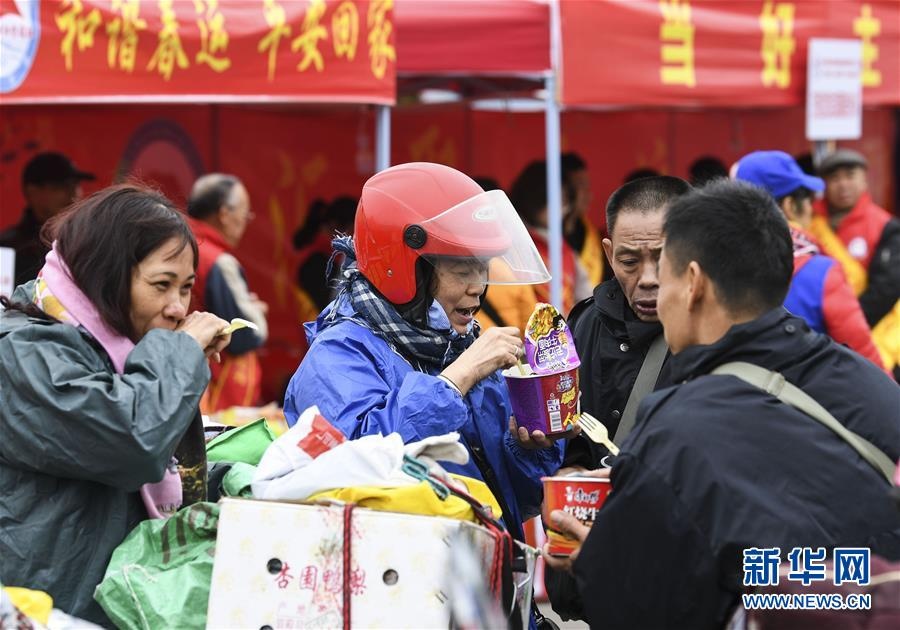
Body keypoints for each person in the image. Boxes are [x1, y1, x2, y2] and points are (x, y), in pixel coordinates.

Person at [546, 180, 900, 629]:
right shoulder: (873, 386)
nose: (651, 284)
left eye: (665, 270)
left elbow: (647, 605)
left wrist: (597, 561)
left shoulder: (675, 432)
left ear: (693, 283)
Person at [283, 163, 567, 576]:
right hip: (392, 585)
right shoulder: (339, 353)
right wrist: (455, 381)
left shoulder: (458, 345)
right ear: (404, 267)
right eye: (462, 269)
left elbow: (513, 499)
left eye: (483, 267)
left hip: (477, 585)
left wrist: (529, 446)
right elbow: (356, 466)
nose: (478, 286)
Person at [0, 185, 232, 625]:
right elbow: (132, 441)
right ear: (102, 276)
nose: (177, 308)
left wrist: (230, 481)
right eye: (161, 285)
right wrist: (178, 355)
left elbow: (158, 474)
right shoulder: (21, 353)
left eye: (185, 288)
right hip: (51, 612)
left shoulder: (117, 350)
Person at [544, 175, 691, 619]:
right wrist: (564, 467)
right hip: (595, 578)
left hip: (683, 583)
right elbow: (565, 441)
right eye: (628, 261)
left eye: (663, 258)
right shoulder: (583, 325)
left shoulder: (719, 330)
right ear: (608, 254)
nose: (647, 280)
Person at [735, 150, 887, 373]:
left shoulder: (715, 265)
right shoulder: (820, 273)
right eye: (807, 200)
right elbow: (866, 360)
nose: (811, 209)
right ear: (789, 205)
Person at [811, 149, 900, 377]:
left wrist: (846, 328)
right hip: (820, 329)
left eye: (850, 176)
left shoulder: (886, 226)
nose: (843, 185)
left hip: (870, 329)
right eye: (834, 178)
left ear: (864, 180)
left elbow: (887, 289)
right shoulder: (812, 225)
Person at [187, 173, 269, 411]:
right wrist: (254, 311)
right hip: (214, 389)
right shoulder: (217, 261)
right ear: (224, 214)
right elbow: (244, 335)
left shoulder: (180, 246)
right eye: (244, 215)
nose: (245, 223)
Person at [0, 152, 95, 288]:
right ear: (33, 192)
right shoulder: (7, 247)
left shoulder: (89, 241)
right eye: (61, 186)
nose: (73, 194)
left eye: (75, 185)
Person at [509, 160, 592, 315]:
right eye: (557, 201)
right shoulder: (511, 244)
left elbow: (586, 301)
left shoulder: (565, 250)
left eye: (565, 202)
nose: (563, 210)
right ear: (535, 198)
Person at [471, 177, 539, 332]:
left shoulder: (445, 267)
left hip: (469, 346)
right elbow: (531, 327)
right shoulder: (514, 267)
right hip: (509, 345)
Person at [293, 196, 358, 324]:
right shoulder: (318, 261)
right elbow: (332, 307)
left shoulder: (323, 255)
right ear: (351, 227)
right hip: (317, 328)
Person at [561, 153, 605, 287]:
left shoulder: (591, 235)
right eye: (580, 186)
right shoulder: (544, 238)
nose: (588, 194)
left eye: (587, 186)